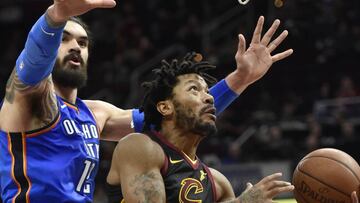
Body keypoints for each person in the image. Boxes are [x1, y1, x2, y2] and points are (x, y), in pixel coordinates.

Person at [0, 1, 292, 202]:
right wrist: (54, 17)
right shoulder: (28, 102)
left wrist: (240, 79)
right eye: (64, 39)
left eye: (83, 42)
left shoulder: (96, 114)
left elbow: (171, 114)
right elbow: (30, 68)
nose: (76, 46)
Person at [105, 16, 296, 203]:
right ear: (165, 107)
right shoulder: (139, 147)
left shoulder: (218, 183)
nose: (209, 97)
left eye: (207, 91)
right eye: (194, 89)